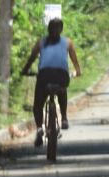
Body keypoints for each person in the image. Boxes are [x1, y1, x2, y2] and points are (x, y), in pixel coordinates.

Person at [21, 18, 81, 147]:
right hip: (62, 75)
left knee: (38, 104)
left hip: (44, 75)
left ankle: (39, 129)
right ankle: (64, 118)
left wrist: (25, 71)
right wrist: (78, 70)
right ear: (61, 30)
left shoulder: (41, 42)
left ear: (48, 29)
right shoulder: (68, 42)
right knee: (62, 90)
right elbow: (74, 59)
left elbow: (31, 58)